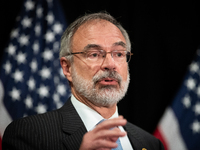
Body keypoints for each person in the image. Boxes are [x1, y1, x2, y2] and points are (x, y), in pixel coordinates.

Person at [2, 12, 164, 150]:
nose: (110, 64)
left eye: (119, 53)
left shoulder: (150, 143)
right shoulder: (28, 134)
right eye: (94, 54)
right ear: (67, 68)